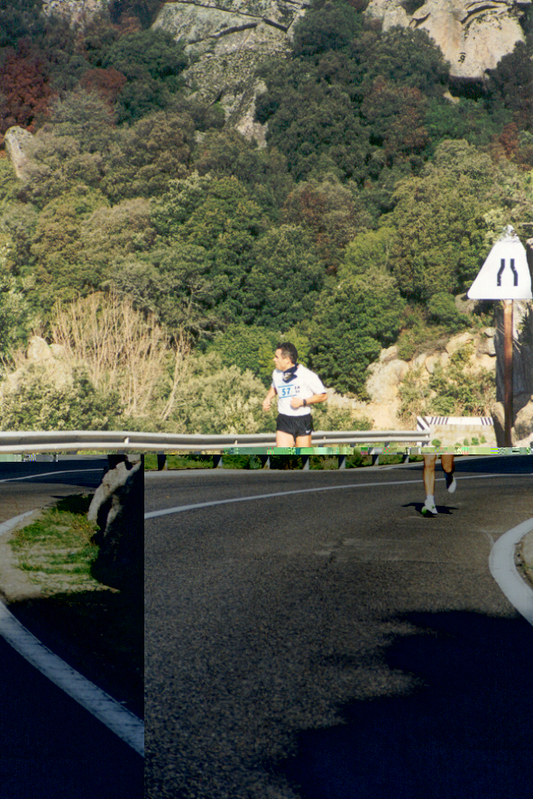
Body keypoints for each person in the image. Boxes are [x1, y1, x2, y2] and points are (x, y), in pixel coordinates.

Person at [262, 342, 327, 447]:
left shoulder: (306, 375)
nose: (274, 359)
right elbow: (275, 387)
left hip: (303, 419)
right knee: (283, 456)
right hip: (284, 419)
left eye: (276, 357)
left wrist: (303, 402)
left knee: (301, 458)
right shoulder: (276, 373)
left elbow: (323, 395)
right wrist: (268, 398)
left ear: (287, 360)